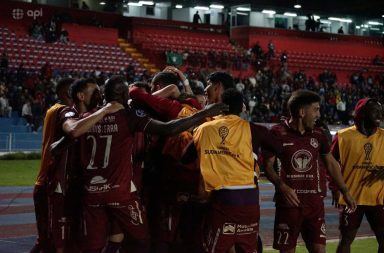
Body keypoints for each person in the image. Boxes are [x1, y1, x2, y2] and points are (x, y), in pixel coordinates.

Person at [77, 76, 227, 253]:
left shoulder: (85, 119)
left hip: (91, 192)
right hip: (122, 191)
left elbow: (68, 138)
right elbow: (168, 128)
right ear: (125, 95)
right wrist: (203, 112)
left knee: (97, 244)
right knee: (142, 240)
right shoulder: (129, 117)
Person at [182, 88, 282, 253]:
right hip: (250, 199)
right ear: (242, 107)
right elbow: (278, 147)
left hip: (222, 198)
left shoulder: (204, 128)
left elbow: (185, 157)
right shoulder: (254, 129)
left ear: (220, 107)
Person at [262, 90, 356, 253]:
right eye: (316, 109)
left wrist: (345, 191)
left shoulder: (319, 134)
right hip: (289, 204)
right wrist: (282, 186)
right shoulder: (277, 133)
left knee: (319, 250)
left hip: (314, 204)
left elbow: (331, 164)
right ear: (301, 112)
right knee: (287, 250)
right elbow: (268, 166)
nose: (318, 114)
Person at [330, 98, 384, 253]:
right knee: (346, 239)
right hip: (351, 198)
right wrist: (334, 187)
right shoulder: (342, 136)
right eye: (375, 110)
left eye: (381, 111)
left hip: (379, 198)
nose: (380, 114)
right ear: (362, 113)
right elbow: (330, 164)